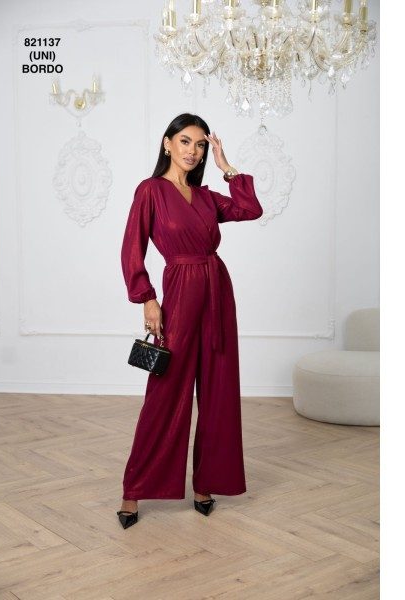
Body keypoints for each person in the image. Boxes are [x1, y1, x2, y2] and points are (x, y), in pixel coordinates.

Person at [117, 113, 263, 529]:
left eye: (200, 144)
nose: (193, 151)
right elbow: (131, 248)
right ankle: (134, 490)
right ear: (167, 143)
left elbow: (251, 209)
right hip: (179, 292)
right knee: (165, 391)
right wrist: (147, 299)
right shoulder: (150, 191)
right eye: (185, 141)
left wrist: (226, 166)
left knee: (218, 389)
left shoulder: (206, 197)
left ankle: (206, 484)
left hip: (217, 292)